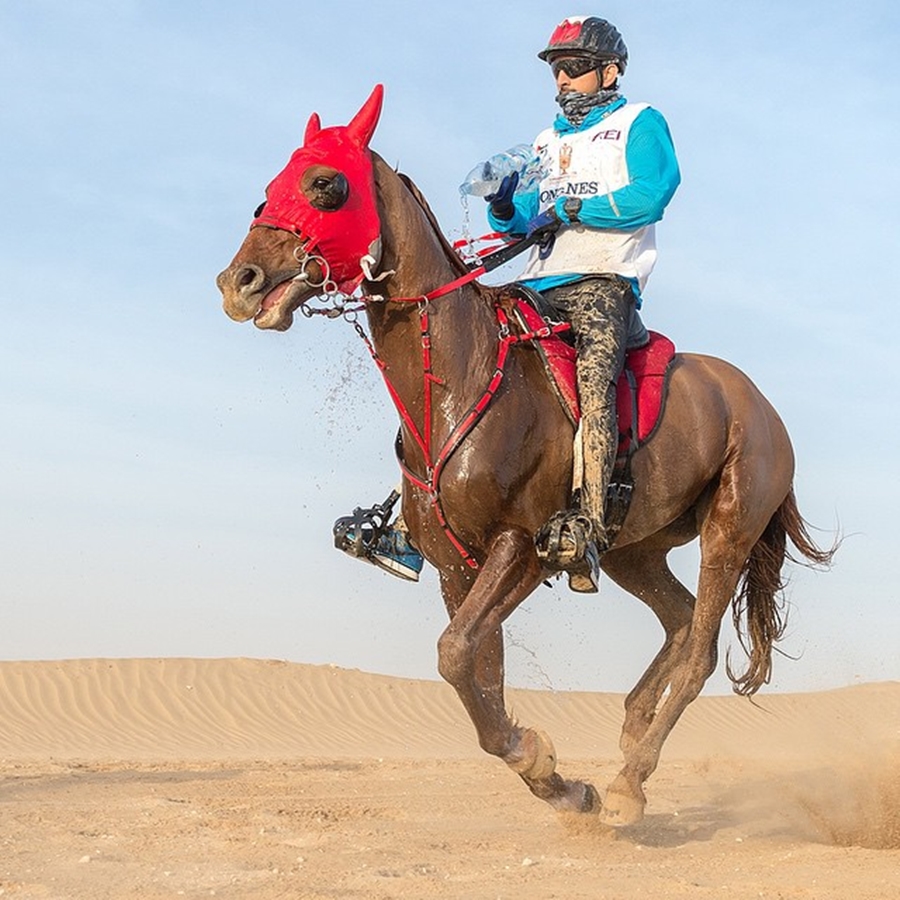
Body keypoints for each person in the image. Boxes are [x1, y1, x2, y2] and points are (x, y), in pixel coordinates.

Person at [335, 15, 680, 591]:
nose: (563, 81)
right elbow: (522, 218)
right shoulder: (546, 142)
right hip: (538, 282)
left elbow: (652, 194)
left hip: (604, 282)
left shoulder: (639, 124)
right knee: (455, 368)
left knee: (595, 384)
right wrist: (502, 203)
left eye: (574, 69)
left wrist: (572, 211)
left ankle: (589, 524)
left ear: (609, 70)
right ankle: (403, 521)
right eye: (557, 71)